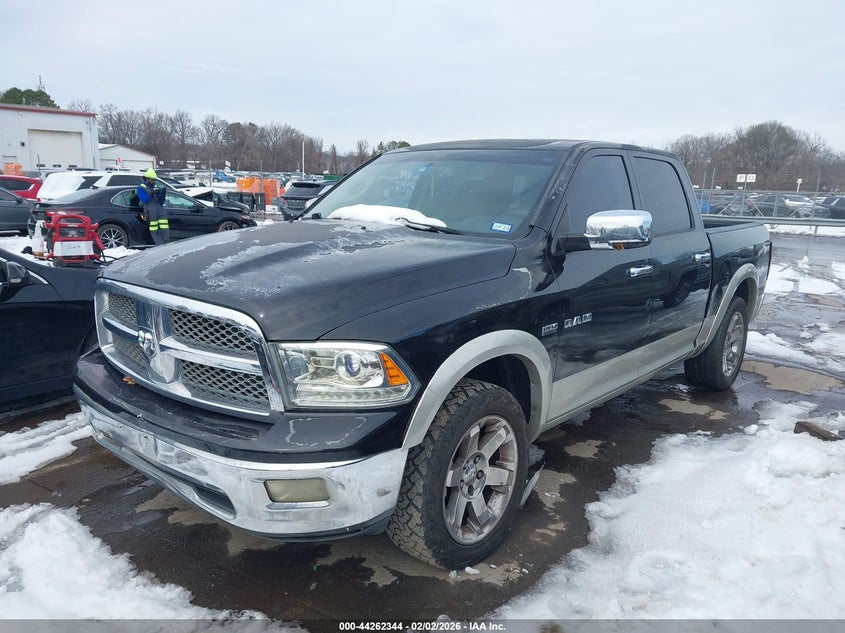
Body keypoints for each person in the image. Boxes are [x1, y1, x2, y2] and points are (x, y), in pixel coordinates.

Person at [137, 168, 169, 245]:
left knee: (165, 229)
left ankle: (166, 245)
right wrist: (151, 194)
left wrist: (162, 195)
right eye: (152, 180)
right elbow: (144, 200)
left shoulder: (155, 186)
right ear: (147, 179)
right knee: (154, 231)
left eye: (154, 180)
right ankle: (160, 246)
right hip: (150, 212)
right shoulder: (141, 188)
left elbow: (161, 202)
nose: (154, 182)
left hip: (160, 212)